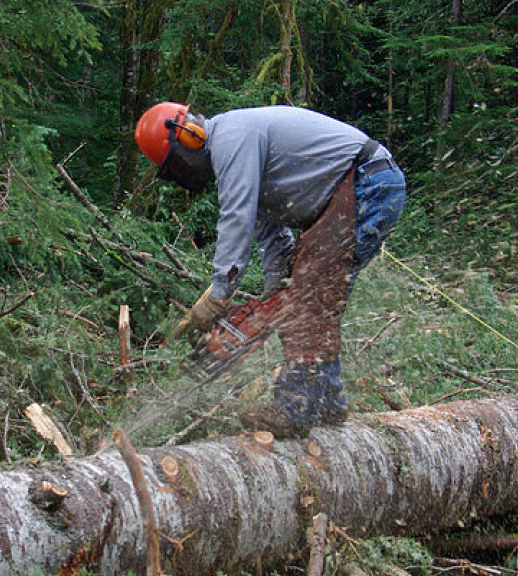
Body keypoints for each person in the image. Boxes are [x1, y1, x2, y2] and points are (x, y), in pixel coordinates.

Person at [134, 102, 406, 438]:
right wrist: (278, 289)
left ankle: (295, 410)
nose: (183, 174)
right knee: (306, 297)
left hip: (367, 183)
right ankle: (329, 404)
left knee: (310, 300)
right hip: (352, 190)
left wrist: (219, 295)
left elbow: (237, 218)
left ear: (189, 136)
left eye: (176, 165)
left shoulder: (231, 138)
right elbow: (271, 234)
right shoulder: (239, 151)